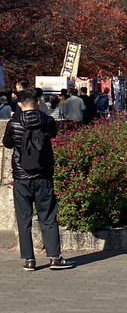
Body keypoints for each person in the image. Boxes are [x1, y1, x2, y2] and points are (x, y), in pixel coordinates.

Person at [2, 88, 74, 270]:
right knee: (48, 216)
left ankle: (29, 260)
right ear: (38, 102)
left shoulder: (13, 123)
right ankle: (54, 258)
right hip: (43, 174)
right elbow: (54, 135)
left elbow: (7, 143)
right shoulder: (47, 121)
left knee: (23, 217)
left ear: (19, 104)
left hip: (21, 176)